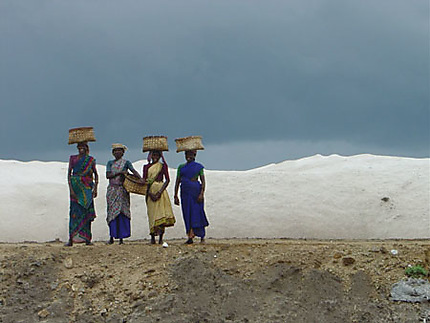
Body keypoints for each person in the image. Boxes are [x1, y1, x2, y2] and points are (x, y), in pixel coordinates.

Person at [106, 144, 141, 245]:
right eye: (115, 151)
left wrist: (140, 179)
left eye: (119, 151)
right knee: (112, 213)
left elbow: (133, 171)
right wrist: (120, 173)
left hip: (122, 190)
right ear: (113, 153)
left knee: (122, 212)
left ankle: (121, 237)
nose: (117, 152)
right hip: (112, 190)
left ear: (123, 152)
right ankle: (111, 237)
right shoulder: (110, 163)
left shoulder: (126, 163)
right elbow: (108, 175)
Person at [66, 142, 98, 246]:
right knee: (74, 213)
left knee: (86, 212)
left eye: (83, 147)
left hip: (87, 189)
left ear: (86, 148)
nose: (81, 149)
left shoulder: (91, 160)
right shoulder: (73, 158)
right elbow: (69, 175)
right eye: (79, 147)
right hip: (75, 188)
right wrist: (71, 190)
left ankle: (87, 239)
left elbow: (96, 175)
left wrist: (95, 188)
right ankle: (71, 238)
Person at [174, 150, 209, 244]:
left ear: (195, 155)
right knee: (187, 213)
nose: (188, 156)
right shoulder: (181, 167)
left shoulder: (199, 167)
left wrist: (201, 193)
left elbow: (203, 181)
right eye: (187, 154)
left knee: (197, 213)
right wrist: (175, 195)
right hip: (185, 193)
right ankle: (190, 236)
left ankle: (201, 236)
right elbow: (177, 181)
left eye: (191, 154)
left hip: (195, 192)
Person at [142, 150, 175, 244]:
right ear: (151, 156)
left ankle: (161, 238)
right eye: (154, 155)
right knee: (152, 214)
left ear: (160, 156)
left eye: (157, 155)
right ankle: (152, 237)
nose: (155, 157)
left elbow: (167, 180)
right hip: (150, 191)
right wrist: (149, 193)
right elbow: (145, 181)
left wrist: (159, 192)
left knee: (161, 214)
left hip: (161, 191)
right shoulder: (146, 167)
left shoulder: (163, 166)